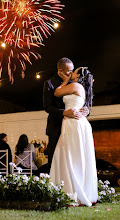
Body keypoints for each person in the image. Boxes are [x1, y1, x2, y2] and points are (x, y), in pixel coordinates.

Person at [49, 66, 98, 206]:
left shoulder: (75, 85)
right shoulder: (82, 88)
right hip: (77, 123)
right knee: (77, 156)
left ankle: (71, 191)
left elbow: (57, 93)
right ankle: (76, 190)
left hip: (73, 123)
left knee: (70, 155)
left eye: (74, 71)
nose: (71, 73)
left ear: (77, 76)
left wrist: (65, 80)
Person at [43, 57, 89, 172]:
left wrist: (87, 110)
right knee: (54, 159)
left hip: (72, 126)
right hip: (55, 126)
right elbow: (47, 106)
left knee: (72, 158)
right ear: (60, 71)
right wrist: (63, 112)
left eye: (72, 70)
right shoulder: (49, 83)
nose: (72, 73)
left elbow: (85, 100)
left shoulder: (74, 82)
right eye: (69, 70)